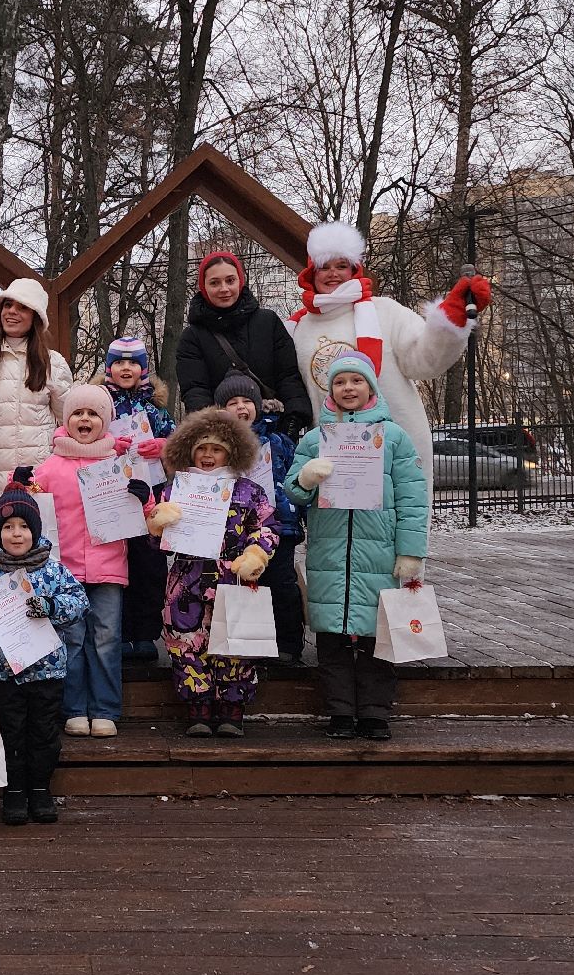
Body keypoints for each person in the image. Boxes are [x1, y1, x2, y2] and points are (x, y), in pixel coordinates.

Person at [283, 352, 430, 742]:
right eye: (340, 382)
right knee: (331, 635)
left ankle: (374, 712)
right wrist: (307, 479)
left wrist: (411, 551)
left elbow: (413, 498)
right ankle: (340, 713)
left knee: (376, 634)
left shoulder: (394, 437)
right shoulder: (316, 439)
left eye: (356, 381)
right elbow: (293, 492)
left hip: (378, 554)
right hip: (329, 554)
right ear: (330, 390)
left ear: (371, 388)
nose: (348, 388)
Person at [282, 221, 491, 483]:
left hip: (397, 446)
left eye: (341, 266)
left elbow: (425, 361)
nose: (332, 273)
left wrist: (453, 317)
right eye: (324, 267)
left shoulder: (385, 311)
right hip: (334, 453)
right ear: (311, 273)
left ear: (354, 270)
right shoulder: (297, 327)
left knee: (401, 521)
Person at [0, 478, 89, 826]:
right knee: (9, 732)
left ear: (36, 530)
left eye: (24, 526)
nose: (16, 534)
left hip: (47, 671)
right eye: (8, 527)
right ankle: (14, 790)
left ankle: (40, 789)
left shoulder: (54, 570)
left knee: (43, 733)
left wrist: (50, 605)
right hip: (2, 674)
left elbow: (80, 602)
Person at [146, 409, 278, 738]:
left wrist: (255, 553)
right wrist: (158, 524)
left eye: (216, 449)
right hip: (187, 579)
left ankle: (232, 708)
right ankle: (198, 707)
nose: (207, 455)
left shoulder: (249, 491)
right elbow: (156, 541)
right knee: (186, 642)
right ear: (189, 450)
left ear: (230, 452)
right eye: (201, 448)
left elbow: (267, 527)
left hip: (233, 577)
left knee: (235, 644)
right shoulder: (176, 488)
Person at [30, 385, 143, 740]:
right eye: (78, 413)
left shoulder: (119, 466)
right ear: (66, 419)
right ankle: (74, 708)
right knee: (72, 638)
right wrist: (17, 484)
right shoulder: (50, 467)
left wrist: (144, 496)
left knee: (107, 638)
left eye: (93, 414)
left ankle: (106, 709)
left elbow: (149, 515)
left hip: (109, 566)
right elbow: (25, 507)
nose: (85, 419)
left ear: (106, 422)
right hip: (64, 572)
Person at [0, 278, 73, 542]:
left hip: (33, 479)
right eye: (7, 305)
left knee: (34, 559)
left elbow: (69, 422)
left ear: (36, 317)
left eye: (22, 307)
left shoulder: (53, 363)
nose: (12, 312)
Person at [218, 370, 308, 666]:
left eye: (247, 401)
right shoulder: (217, 445)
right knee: (242, 585)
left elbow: (297, 479)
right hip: (236, 531)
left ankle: (288, 644)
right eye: (233, 402)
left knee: (281, 585)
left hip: (279, 526)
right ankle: (248, 641)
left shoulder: (278, 442)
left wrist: (300, 515)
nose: (241, 407)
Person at [175, 249, 313, 429]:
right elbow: (195, 389)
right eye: (215, 283)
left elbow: (287, 375)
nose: (224, 289)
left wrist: (293, 418)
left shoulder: (268, 322)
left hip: (273, 428)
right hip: (223, 433)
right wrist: (210, 423)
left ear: (240, 281)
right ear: (204, 287)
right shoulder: (193, 336)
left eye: (230, 280)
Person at [100, 336, 175, 662]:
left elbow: (178, 445)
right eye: (119, 362)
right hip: (109, 498)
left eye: (132, 362)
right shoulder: (101, 404)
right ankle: (121, 633)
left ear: (143, 368)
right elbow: (84, 435)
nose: (126, 368)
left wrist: (163, 448)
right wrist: (107, 447)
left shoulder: (156, 408)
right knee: (118, 564)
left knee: (150, 564)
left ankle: (145, 634)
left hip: (150, 497)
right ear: (109, 367)